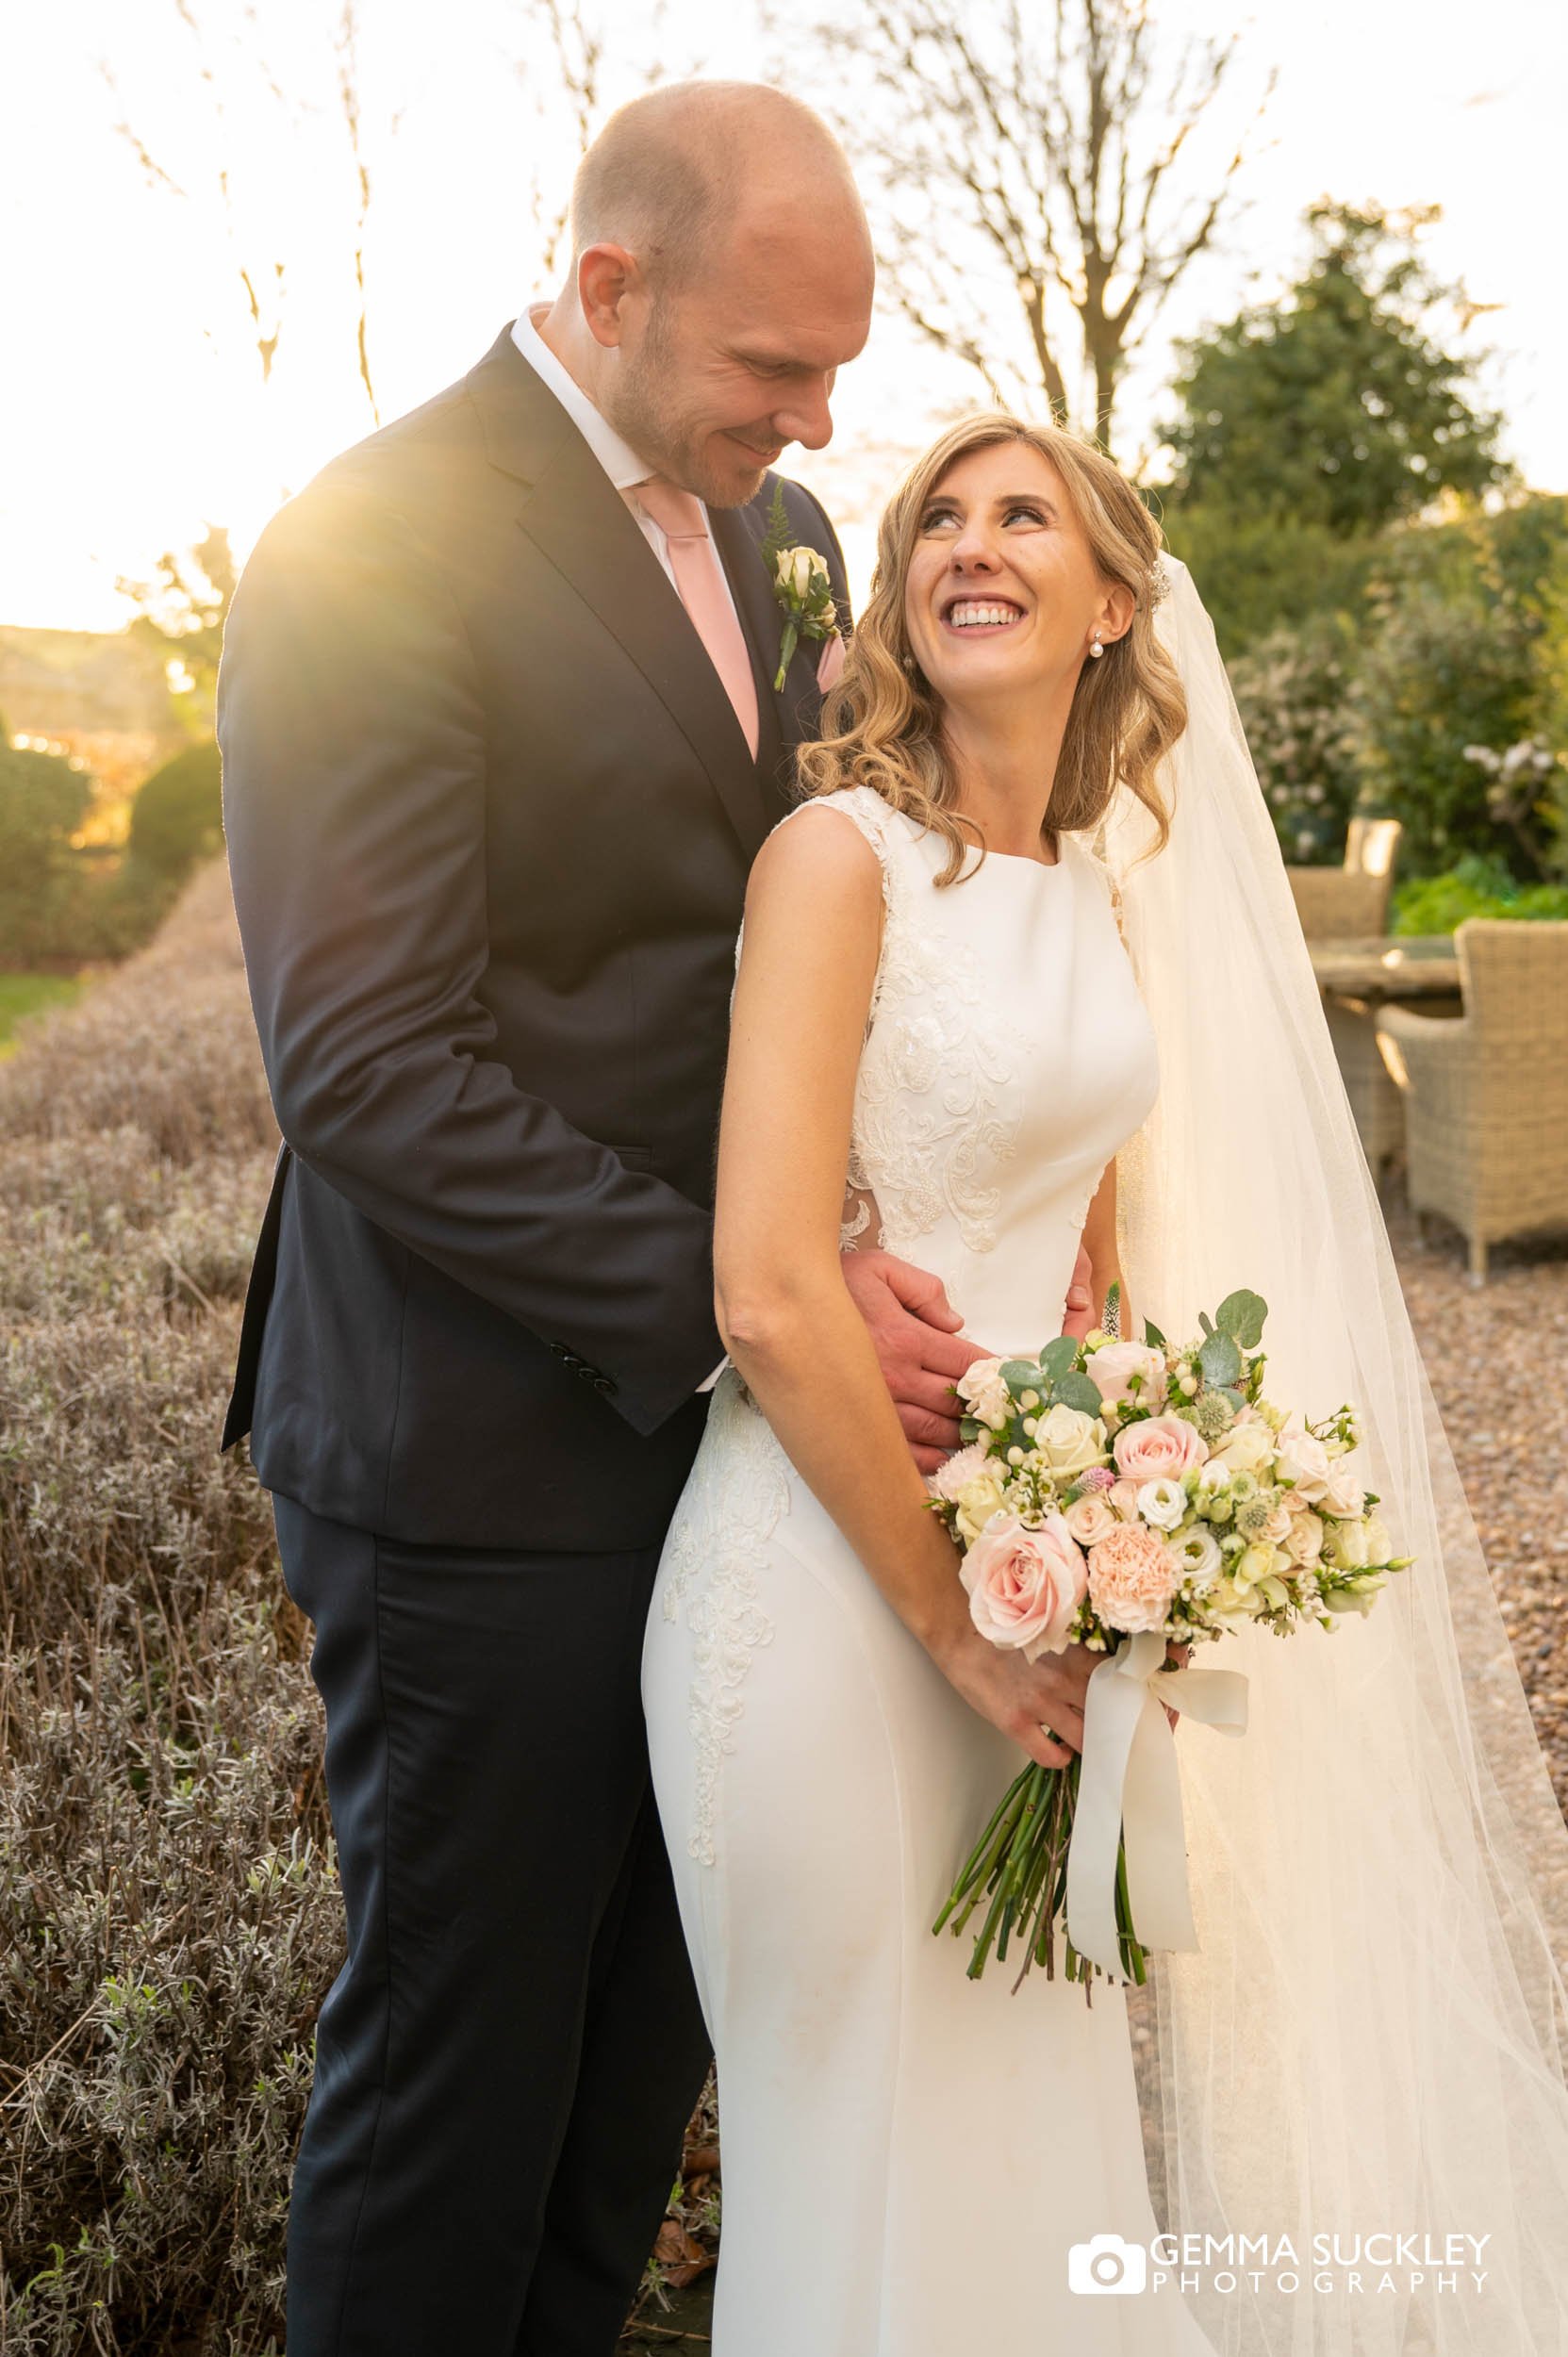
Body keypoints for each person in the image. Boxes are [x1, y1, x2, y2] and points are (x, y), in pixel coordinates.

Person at [217, 82, 1095, 2357]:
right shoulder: (370, 538)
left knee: (633, 2090)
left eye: (832, 367)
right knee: (459, 2077)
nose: (819, 421)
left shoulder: (784, 526)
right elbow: (369, 1062)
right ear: (608, 289)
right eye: (770, 368)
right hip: (472, 1454)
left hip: (736, 1479)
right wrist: (760, 1294)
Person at [642, 411, 1568, 2353]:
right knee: (863, 2158)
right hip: (828, 1586)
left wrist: (1137, 1517)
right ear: (904, 593)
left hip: (1030, 1591)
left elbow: (1092, 1260)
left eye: (1022, 516)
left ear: (1115, 599)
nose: (967, 544)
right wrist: (956, 1622)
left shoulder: (1104, 893)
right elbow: (761, 1284)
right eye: (936, 522)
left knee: (1025, 2142)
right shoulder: (839, 860)